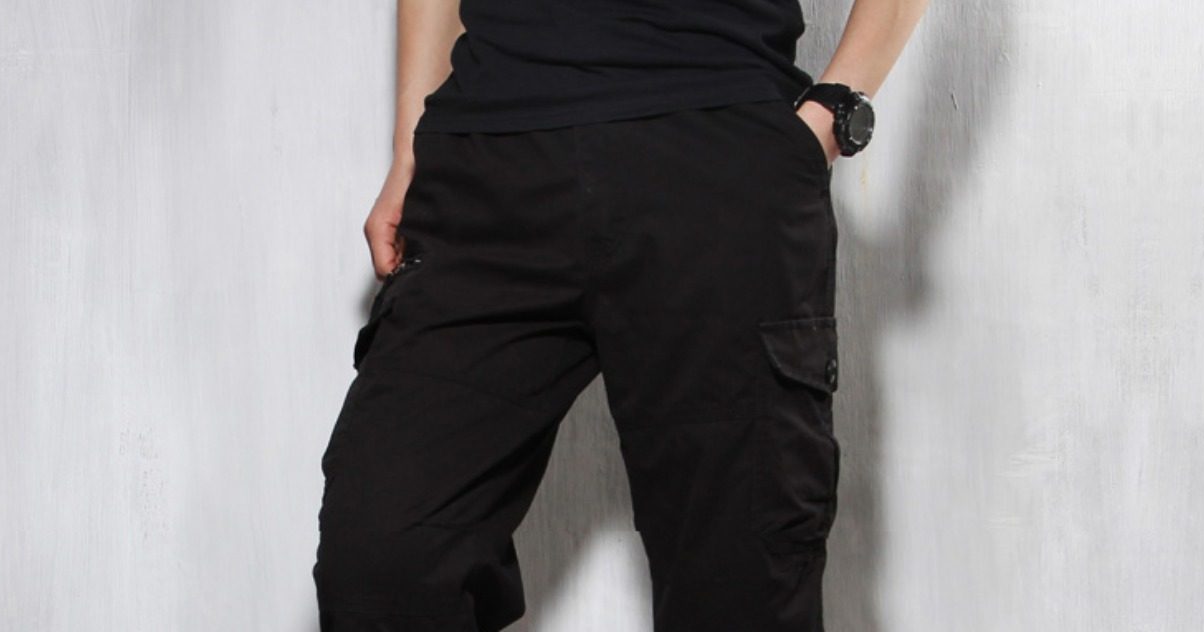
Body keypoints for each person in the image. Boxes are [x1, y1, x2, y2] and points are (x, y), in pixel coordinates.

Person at [313, 0, 929, 629]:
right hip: (484, 164)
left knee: (739, 587)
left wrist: (832, 110)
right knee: (379, 558)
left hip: (714, 159)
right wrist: (409, 146)